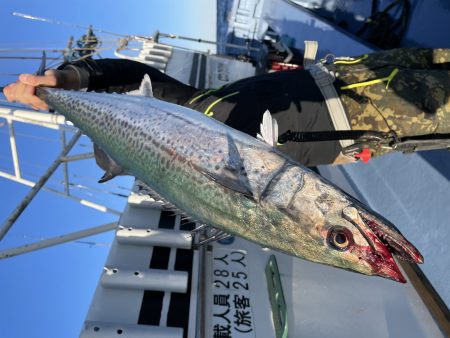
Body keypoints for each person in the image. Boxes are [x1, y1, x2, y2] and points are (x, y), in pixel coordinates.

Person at [4, 48, 450, 167]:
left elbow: (123, 72)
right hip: (375, 118)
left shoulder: (188, 107)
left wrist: (62, 82)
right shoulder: (208, 171)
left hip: (354, 71)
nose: (148, 132)